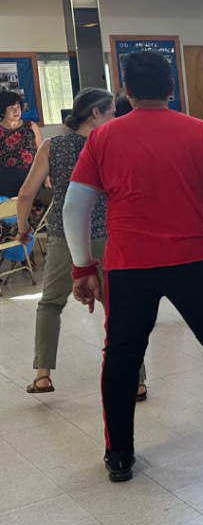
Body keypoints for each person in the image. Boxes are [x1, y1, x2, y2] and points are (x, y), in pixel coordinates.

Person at [63, 51, 203, 483]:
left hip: (128, 265)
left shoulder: (103, 139)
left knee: (122, 356)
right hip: (192, 260)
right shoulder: (200, 132)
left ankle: (120, 455)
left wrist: (81, 267)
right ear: (171, 88)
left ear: (126, 91)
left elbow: (75, 207)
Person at [15, 88, 146, 400]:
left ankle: (43, 375)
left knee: (50, 304)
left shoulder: (51, 146)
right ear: (96, 113)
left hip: (63, 236)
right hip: (107, 235)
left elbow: (26, 193)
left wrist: (23, 228)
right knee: (118, 308)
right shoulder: (113, 144)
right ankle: (137, 380)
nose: (116, 117)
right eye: (112, 112)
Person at [0, 89, 43, 198]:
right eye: (11, 108)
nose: (16, 111)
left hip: (31, 176)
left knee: (34, 210)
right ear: (2, 111)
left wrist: (47, 178)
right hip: (5, 179)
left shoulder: (31, 126)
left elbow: (42, 154)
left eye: (18, 107)